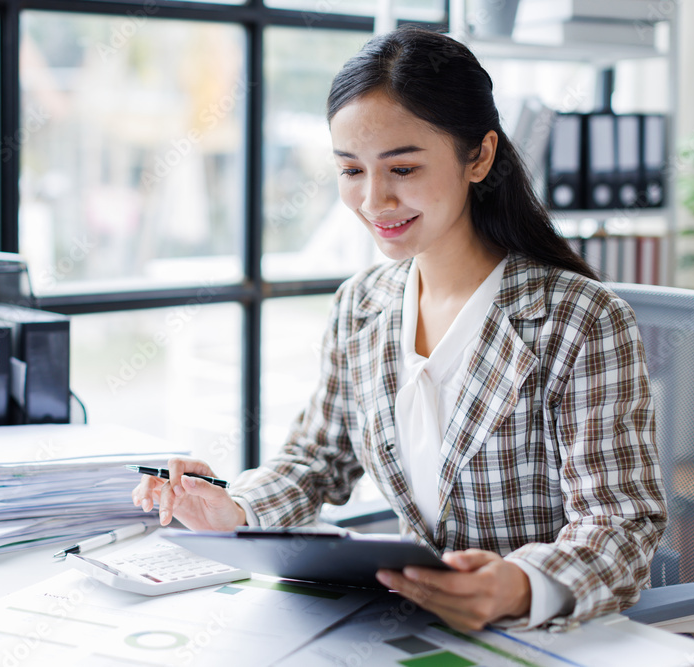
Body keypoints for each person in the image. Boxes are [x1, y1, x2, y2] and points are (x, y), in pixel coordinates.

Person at [132, 25, 666, 632]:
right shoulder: (362, 305)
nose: (374, 200)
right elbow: (315, 459)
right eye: (351, 171)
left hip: (544, 633)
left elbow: (622, 526)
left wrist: (518, 585)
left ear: (480, 156)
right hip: (415, 627)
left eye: (403, 168)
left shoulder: (579, 318)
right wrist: (237, 507)